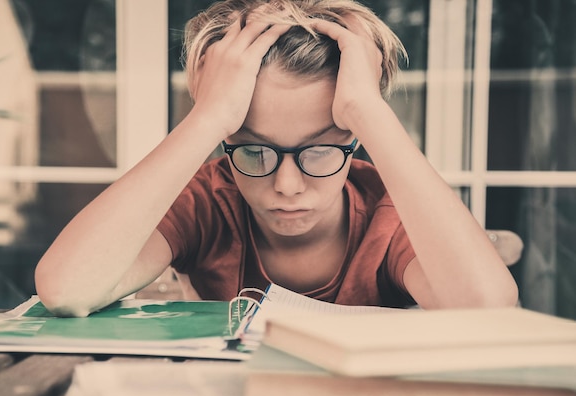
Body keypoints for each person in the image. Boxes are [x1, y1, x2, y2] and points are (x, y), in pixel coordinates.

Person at [35, 0, 518, 317]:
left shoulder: (389, 214)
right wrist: (207, 119)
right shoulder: (208, 200)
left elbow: (487, 311)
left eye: (323, 148)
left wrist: (370, 110)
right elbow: (66, 289)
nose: (287, 185)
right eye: (251, 148)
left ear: (356, 139)